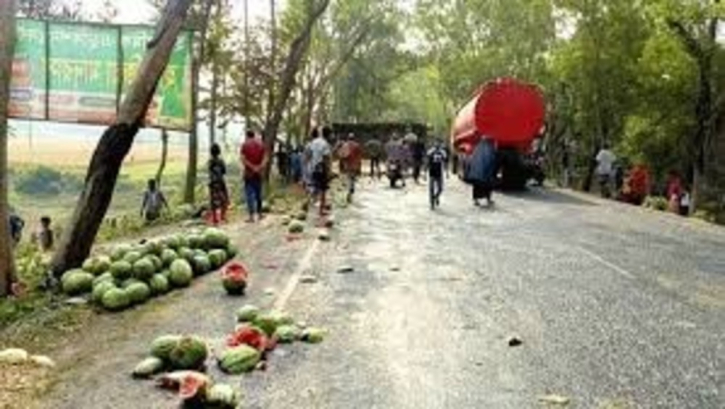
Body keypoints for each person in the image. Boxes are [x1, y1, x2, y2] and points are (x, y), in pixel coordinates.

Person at [304, 127, 333, 216]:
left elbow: (308, 156)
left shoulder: (313, 142)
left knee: (315, 187)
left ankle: (306, 203)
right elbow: (326, 158)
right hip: (321, 168)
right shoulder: (325, 144)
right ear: (328, 135)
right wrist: (329, 172)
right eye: (331, 135)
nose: (332, 136)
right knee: (323, 190)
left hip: (313, 168)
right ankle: (321, 210)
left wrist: (307, 168)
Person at [240, 130, 267, 223]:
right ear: (254, 135)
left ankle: (251, 216)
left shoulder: (245, 145)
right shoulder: (261, 145)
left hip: (249, 173)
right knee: (258, 193)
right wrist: (259, 167)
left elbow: (243, 159)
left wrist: (252, 167)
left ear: (247, 136)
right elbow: (265, 158)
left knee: (249, 194)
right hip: (258, 173)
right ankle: (259, 214)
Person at [465, 137, 497, 207]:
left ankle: (479, 199)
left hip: (480, 172)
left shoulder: (479, 147)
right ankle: (482, 199)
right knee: (485, 185)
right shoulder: (487, 147)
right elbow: (491, 158)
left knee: (482, 185)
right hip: (483, 172)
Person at [208, 143, 229, 225]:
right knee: (224, 199)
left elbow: (209, 171)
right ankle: (223, 216)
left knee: (213, 200)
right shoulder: (221, 161)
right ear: (219, 152)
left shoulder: (210, 162)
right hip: (220, 182)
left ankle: (215, 219)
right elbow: (224, 171)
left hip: (212, 183)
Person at [339, 133, 363, 203]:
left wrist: (341, 166)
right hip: (354, 164)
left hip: (347, 164)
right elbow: (359, 157)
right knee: (352, 178)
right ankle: (350, 190)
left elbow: (341, 155)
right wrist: (359, 167)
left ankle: (349, 190)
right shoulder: (357, 145)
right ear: (354, 138)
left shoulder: (345, 145)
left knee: (348, 177)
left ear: (348, 138)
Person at [427, 139, 448, 209]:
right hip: (432, 172)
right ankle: (432, 203)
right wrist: (424, 171)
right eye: (436, 142)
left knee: (440, 188)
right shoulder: (430, 151)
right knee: (431, 188)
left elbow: (445, 162)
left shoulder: (443, 152)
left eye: (438, 143)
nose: (437, 144)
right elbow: (427, 162)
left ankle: (436, 197)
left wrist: (447, 172)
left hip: (439, 172)